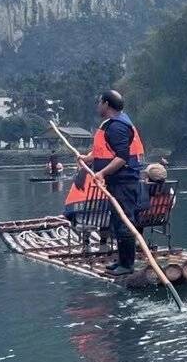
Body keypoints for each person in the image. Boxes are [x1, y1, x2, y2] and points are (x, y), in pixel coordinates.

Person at [63, 90, 147, 275]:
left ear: (106, 104)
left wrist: (101, 173)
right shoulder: (112, 124)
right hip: (117, 182)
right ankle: (122, 261)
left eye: (99, 102)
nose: (97, 105)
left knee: (124, 222)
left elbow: (122, 158)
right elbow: (106, 152)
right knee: (117, 222)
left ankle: (127, 265)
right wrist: (88, 159)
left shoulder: (117, 127)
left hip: (124, 182)